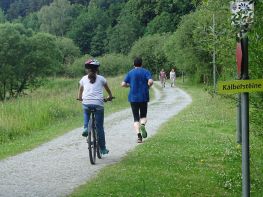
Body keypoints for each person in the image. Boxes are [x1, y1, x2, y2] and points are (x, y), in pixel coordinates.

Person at [78, 59, 113, 155]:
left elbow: (80, 91)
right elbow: (108, 90)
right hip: (98, 104)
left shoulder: (83, 78)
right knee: (99, 127)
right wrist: (109, 96)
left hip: (86, 103)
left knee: (86, 111)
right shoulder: (101, 78)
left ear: (87, 70)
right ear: (97, 69)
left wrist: (80, 98)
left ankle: (85, 128)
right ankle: (102, 148)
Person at [121, 57, 153, 143]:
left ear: (134, 64)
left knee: (135, 118)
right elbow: (150, 81)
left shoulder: (130, 73)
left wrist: (129, 85)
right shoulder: (146, 71)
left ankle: (139, 137)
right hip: (143, 97)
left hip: (133, 98)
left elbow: (123, 84)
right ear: (141, 64)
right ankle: (142, 125)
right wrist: (148, 86)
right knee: (143, 116)